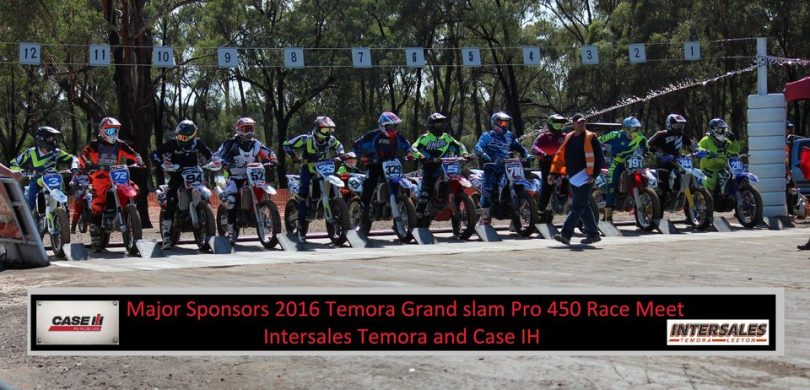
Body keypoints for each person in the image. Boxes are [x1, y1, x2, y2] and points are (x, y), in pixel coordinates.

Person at [79, 117, 143, 248]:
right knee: (98, 203)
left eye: (115, 131)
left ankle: (130, 216)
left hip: (117, 175)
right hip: (100, 177)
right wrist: (86, 163)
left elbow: (133, 153)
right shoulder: (94, 144)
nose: (113, 134)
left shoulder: (120, 144)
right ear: (102, 131)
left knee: (133, 188)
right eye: (110, 131)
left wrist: (139, 160)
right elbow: (83, 154)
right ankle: (96, 238)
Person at [215, 117, 278, 243]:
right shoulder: (231, 142)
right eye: (246, 128)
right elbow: (219, 154)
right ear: (239, 129)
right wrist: (223, 162)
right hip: (235, 177)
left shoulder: (256, 143)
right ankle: (232, 231)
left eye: (251, 128)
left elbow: (267, 152)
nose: (249, 131)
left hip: (253, 175)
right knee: (232, 200)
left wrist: (273, 158)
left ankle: (262, 212)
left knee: (263, 192)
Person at [282, 116, 345, 243]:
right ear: (317, 129)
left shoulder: (330, 140)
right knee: (303, 196)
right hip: (308, 169)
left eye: (329, 130)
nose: (327, 133)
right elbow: (286, 145)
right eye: (324, 130)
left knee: (336, 187)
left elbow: (339, 146)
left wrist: (341, 155)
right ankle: (300, 229)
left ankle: (337, 214)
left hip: (325, 169)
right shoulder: (306, 139)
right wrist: (293, 156)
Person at [155, 120, 214, 249]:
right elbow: (155, 154)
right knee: (171, 201)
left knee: (205, 195)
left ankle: (207, 225)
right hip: (177, 177)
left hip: (195, 176)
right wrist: (163, 163)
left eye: (183, 137)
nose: (181, 139)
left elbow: (210, 154)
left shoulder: (197, 143)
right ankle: (167, 237)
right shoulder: (172, 143)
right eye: (179, 136)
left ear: (192, 136)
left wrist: (214, 161)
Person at [548, 113, 604, 245]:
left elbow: (600, 158)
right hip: (573, 178)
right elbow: (560, 157)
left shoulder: (591, 138)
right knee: (583, 206)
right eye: (579, 122)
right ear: (573, 123)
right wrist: (553, 173)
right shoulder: (569, 137)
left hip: (586, 177)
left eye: (583, 122)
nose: (582, 124)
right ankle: (593, 234)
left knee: (578, 206)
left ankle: (565, 235)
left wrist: (594, 175)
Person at [473, 111, 531, 225]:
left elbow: (519, 147)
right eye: (501, 122)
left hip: (508, 167)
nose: (504, 125)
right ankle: (485, 219)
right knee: (487, 191)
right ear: (494, 123)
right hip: (492, 167)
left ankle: (516, 219)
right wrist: (484, 155)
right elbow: (477, 147)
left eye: (506, 123)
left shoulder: (510, 135)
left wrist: (526, 154)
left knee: (521, 184)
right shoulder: (486, 136)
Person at [352, 112, 417, 212]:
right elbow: (357, 145)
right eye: (390, 126)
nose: (393, 129)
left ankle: (399, 204)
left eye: (395, 126)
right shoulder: (373, 135)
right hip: (375, 164)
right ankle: (364, 209)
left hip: (392, 163)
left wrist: (410, 153)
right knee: (370, 183)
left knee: (401, 180)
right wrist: (361, 156)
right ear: (383, 126)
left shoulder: (398, 137)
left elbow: (408, 146)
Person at [411, 113, 468, 217]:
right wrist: (421, 156)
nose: (441, 126)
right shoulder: (424, 138)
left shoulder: (447, 137)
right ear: (431, 125)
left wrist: (464, 154)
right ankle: (417, 215)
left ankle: (457, 211)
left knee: (458, 184)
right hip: (429, 169)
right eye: (438, 124)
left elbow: (459, 145)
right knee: (425, 194)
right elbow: (413, 148)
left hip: (445, 167)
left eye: (442, 123)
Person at [10, 126, 79, 211]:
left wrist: (74, 167)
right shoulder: (31, 152)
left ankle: (63, 216)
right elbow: (15, 162)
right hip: (37, 181)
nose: (53, 140)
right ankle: (28, 221)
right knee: (29, 205)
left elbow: (72, 158)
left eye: (53, 138)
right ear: (41, 139)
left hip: (54, 181)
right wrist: (18, 171)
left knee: (64, 201)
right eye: (50, 138)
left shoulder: (56, 152)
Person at [597, 116, 648, 222]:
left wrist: (646, 153)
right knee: (612, 184)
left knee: (646, 177)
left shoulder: (640, 137)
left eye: (636, 128)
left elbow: (645, 147)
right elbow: (599, 140)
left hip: (633, 161)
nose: (635, 131)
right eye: (632, 129)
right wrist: (603, 150)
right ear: (626, 128)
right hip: (617, 161)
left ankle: (644, 201)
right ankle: (608, 216)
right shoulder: (615, 135)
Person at [648, 113, 694, 207]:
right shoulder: (661, 134)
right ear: (670, 124)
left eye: (681, 125)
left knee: (690, 176)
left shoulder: (682, 135)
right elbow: (648, 144)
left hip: (678, 161)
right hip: (663, 163)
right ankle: (658, 216)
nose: (679, 127)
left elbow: (691, 145)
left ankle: (685, 201)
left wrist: (699, 151)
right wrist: (656, 151)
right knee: (663, 187)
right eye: (677, 125)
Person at [531, 114, 568, 222]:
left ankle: (564, 200)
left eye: (561, 125)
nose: (559, 128)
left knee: (569, 179)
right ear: (550, 125)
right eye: (557, 125)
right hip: (547, 164)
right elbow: (534, 147)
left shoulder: (566, 136)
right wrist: (542, 153)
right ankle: (539, 212)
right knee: (547, 186)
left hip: (562, 164)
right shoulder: (544, 136)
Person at [697, 118, 740, 194]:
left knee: (731, 179)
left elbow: (736, 149)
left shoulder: (726, 141)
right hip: (709, 169)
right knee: (711, 186)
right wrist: (706, 152)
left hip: (723, 168)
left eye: (724, 129)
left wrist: (734, 140)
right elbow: (698, 148)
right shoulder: (706, 139)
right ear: (713, 130)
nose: (723, 131)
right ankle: (709, 202)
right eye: (720, 129)